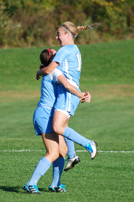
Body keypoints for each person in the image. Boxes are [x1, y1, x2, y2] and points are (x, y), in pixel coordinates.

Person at [24, 48, 91, 194]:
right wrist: (81, 95)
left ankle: (55, 183)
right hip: (45, 114)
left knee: (62, 151)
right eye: (56, 54)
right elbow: (67, 85)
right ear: (53, 58)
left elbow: (45, 72)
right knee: (53, 152)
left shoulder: (49, 70)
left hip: (48, 114)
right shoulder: (55, 71)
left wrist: (39, 71)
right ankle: (31, 183)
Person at [36, 21, 98, 166]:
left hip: (68, 93)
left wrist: (39, 71)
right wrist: (80, 94)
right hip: (69, 92)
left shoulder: (65, 50)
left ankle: (89, 144)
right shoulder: (74, 49)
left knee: (57, 127)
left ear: (67, 35)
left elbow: (48, 70)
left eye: (58, 34)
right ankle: (72, 155)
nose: (56, 38)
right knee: (62, 127)